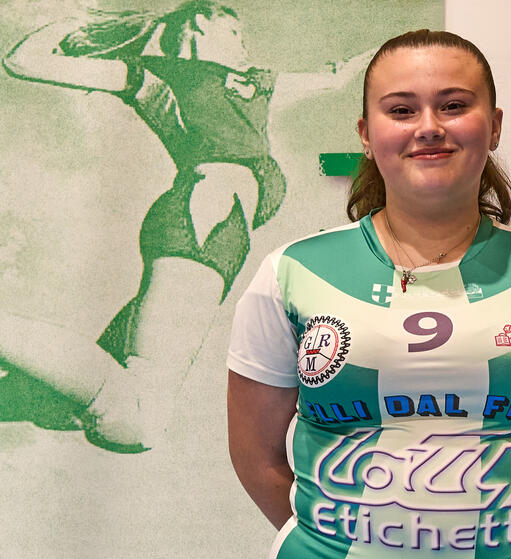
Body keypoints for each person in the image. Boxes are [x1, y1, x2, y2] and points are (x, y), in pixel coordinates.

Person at [227, 29, 511, 558]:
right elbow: (256, 459)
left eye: (454, 105)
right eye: (401, 110)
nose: (428, 127)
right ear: (366, 134)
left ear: (494, 126)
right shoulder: (290, 272)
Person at [0, 0, 371, 452]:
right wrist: (85, 25)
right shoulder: (157, 76)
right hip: (203, 216)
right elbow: (23, 61)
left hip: (218, 234)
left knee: (58, 408)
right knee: (134, 416)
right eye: (234, 34)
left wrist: (398, 50)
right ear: (198, 26)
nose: (243, 46)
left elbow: (334, 76)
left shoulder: (256, 85)